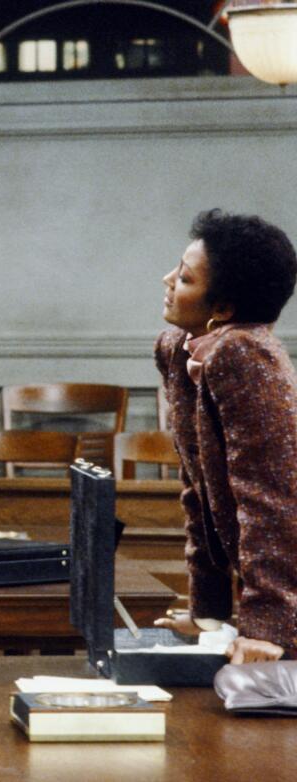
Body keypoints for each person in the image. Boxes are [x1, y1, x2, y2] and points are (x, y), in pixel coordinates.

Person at [154, 208, 297, 663]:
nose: (167, 279)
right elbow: (199, 492)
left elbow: (272, 498)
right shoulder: (185, 350)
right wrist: (208, 615)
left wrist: (269, 628)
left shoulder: (245, 354)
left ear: (223, 309)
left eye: (186, 277)